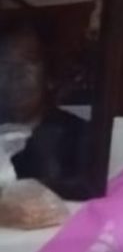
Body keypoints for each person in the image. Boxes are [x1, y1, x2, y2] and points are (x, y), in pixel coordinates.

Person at [0, 14, 91, 201]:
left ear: (50, 74)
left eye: (27, 62)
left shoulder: (80, 135)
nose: (14, 74)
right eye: (4, 63)